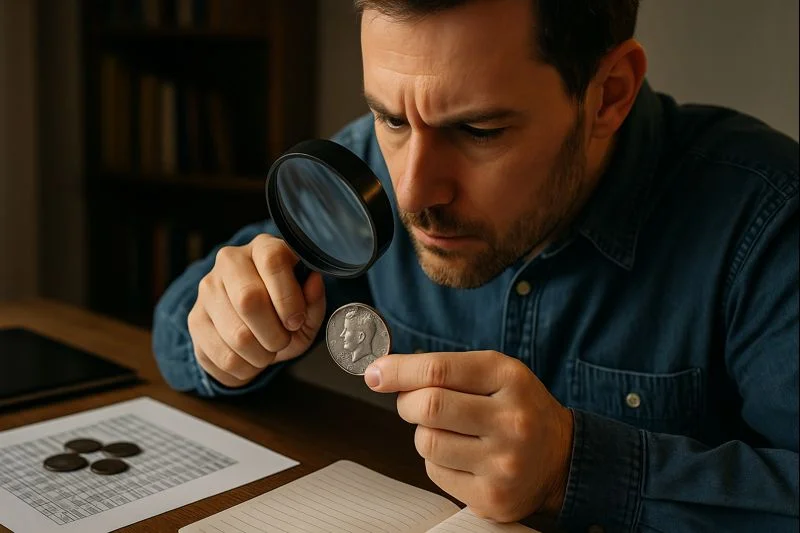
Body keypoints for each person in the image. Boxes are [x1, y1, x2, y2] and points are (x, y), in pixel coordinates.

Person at [151, 0, 799, 530]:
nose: (412, 195)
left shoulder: (767, 218)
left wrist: (573, 467)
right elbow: (180, 328)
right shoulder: (372, 169)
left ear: (609, 94)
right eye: (389, 118)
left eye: (479, 131)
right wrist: (230, 328)